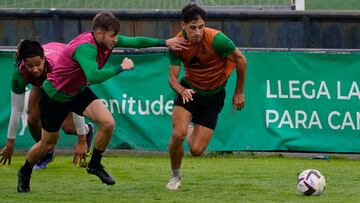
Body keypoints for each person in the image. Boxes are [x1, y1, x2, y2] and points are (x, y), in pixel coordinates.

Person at [17, 11, 187, 192]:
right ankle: (25, 171)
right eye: (112, 36)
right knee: (47, 145)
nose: (116, 39)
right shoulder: (86, 48)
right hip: (55, 96)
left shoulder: (106, 40)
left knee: (108, 123)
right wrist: (121, 67)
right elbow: (93, 75)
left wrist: (164, 42)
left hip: (78, 91)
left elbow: (135, 42)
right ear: (99, 33)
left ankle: (95, 164)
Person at [166, 3, 247, 190]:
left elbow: (241, 60)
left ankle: (193, 125)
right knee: (178, 133)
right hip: (190, 92)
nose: (197, 32)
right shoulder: (176, 44)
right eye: (193, 27)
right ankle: (175, 176)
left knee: (196, 150)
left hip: (214, 95)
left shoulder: (217, 40)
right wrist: (181, 90)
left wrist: (239, 91)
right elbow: (172, 78)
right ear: (183, 25)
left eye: (201, 27)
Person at [0, 40, 94, 169]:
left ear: (44, 59)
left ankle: (88, 130)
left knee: (67, 127)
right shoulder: (20, 74)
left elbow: (75, 105)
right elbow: (16, 110)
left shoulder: (59, 68)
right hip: (41, 84)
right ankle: (46, 153)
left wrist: (81, 139)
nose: (35, 69)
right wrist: (10, 143)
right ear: (24, 63)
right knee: (32, 120)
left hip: (59, 78)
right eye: (30, 66)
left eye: (38, 64)